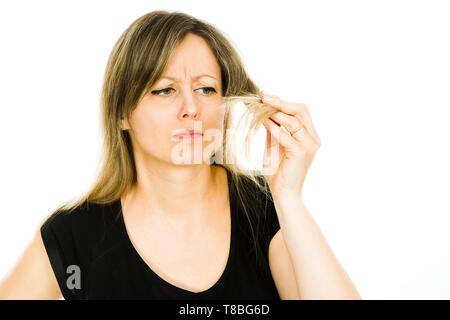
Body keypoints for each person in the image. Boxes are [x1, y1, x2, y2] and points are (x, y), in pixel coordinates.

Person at [0, 10, 360, 300]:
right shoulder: (74, 236)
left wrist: (289, 197)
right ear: (123, 113)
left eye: (206, 88)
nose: (191, 108)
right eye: (164, 90)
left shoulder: (266, 210)